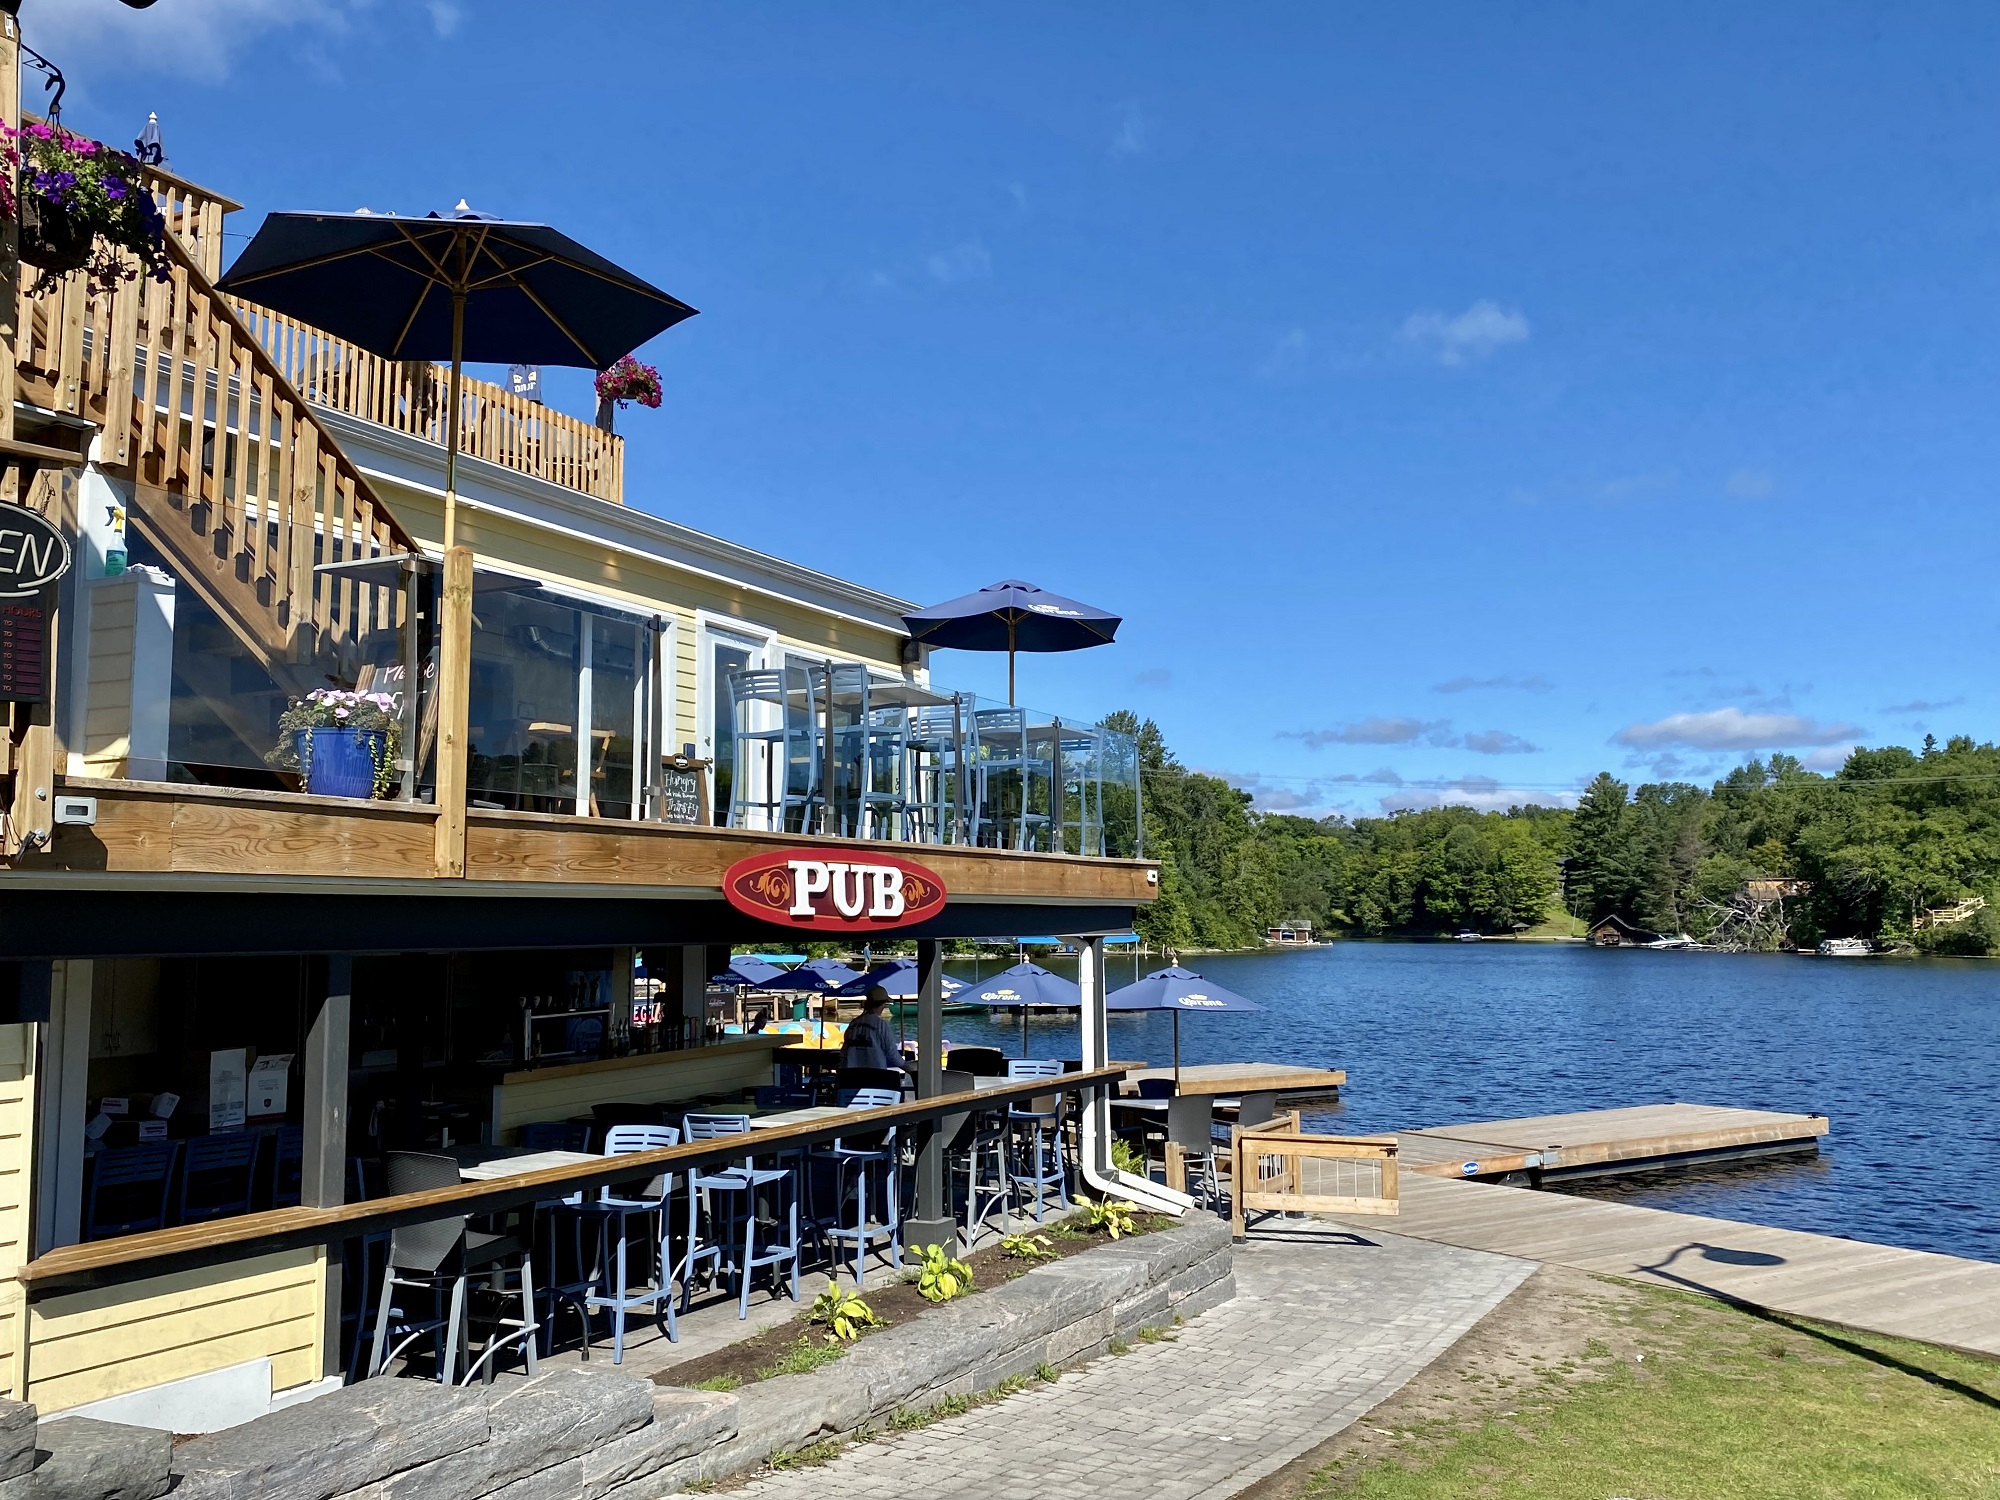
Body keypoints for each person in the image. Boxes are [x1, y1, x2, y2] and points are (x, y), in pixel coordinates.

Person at [840, 986, 901, 1072]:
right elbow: (892, 1054)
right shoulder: (881, 1024)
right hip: (874, 1075)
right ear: (882, 1004)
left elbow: (844, 1051)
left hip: (851, 1075)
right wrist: (910, 1069)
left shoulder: (853, 1023)